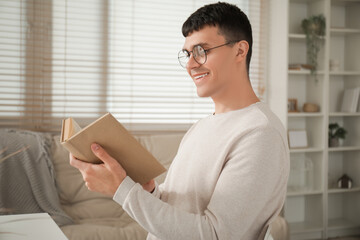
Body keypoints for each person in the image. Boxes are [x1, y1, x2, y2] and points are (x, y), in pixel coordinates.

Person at [70, 2, 289, 240]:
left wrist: (121, 190)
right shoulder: (201, 127)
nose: (191, 64)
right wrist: (150, 192)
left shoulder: (260, 133)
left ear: (239, 51)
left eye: (201, 51)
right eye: (187, 54)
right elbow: (180, 208)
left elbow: (216, 235)